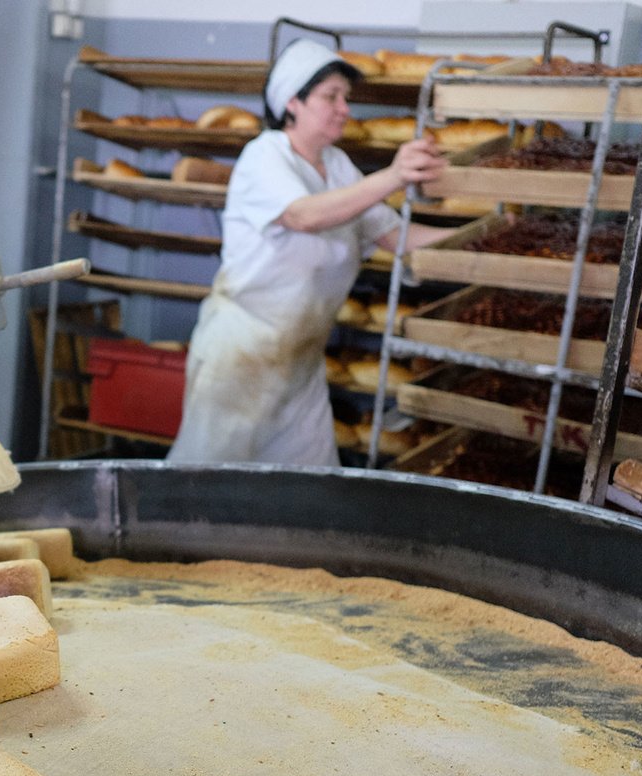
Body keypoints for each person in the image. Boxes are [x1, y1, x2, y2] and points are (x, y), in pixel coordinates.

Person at [166, 39, 455, 466]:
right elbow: (303, 215)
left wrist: (487, 241)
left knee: (307, 489)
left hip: (300, 364)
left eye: (346, 98)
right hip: (242, 355)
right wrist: (393, 176)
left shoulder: (338, 167)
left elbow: (398, 237)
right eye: (331, 97)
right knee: (207, 483)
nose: (344, 109)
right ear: (292, 102)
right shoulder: (265, 156)